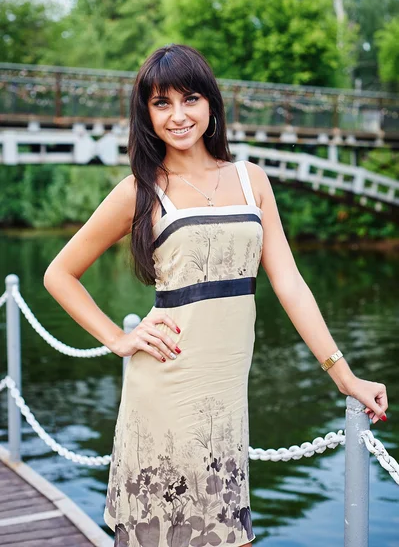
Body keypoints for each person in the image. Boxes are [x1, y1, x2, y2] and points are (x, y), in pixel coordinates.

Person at [43, 43, 388, 547]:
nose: (178, 116)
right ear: (147, 114)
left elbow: (289, 283)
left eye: (190, 99)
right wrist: (119, 338)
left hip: (225, 408)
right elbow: (59, 274)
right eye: (162, 103)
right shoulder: (141, 190)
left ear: (211, 104)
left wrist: (344, 375)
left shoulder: (252, 181)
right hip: (163, 396)